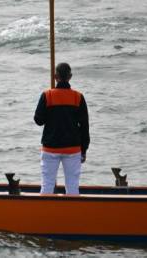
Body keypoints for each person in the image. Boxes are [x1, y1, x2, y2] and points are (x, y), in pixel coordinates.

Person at [34, 62, 90, 195]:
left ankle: (45, 214)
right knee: (72, 187)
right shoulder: (78, 97)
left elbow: (38, 120)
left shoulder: (47, 95)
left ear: (55, 77)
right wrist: (84, 149)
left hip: (50, 147)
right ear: (70, 77)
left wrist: (51, 113)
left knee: (47, 185)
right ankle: (72, 214)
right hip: (73, 148)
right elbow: (84, 127)